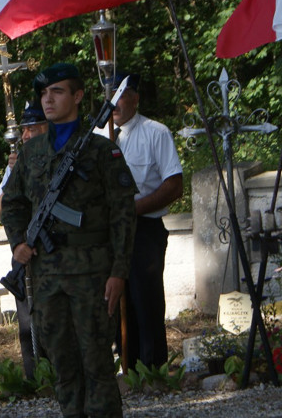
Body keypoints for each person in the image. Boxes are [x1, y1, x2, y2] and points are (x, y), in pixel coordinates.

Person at [1, 63, 136, 418]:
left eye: (57, 91)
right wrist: (18, 242)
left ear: (77, 96)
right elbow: (12, 203)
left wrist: (119, 272)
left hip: (92, 275)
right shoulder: (31, 153)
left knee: (97, 365)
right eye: (44, 93)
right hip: (47, 277)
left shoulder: (100, 151)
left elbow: (123, 215)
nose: (48, 99)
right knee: (62, 364)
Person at [93, 71, 183, 370]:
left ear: (136, 98)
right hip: (106, 232)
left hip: (143, 230)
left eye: (121, 95)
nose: (114, 103)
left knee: (146, 301)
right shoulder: (96, 136)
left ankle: (153, 370)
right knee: (113, 303)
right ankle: (126, 368)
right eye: (110, 96)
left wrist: (134, 209)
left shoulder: (156, 132)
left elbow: (174, 185)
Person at [0, 102, 49, 379]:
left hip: (54, 251)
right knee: (27, 322)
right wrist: (13, 174)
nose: (25, 136)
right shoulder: (17, 164)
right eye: (23, 130)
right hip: (24, 250)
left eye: (32, 129)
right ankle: (34, 378)